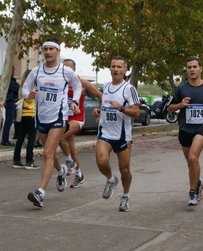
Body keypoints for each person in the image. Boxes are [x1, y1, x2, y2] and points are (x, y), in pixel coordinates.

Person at [22, 38, 82, 208]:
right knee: (49, 153)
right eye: (45, 49)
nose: (47, 52)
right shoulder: (36, 71)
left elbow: (77, 86)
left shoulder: (65, 71)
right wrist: (28, 95)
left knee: (48, 151)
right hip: (41, 117)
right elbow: (24, 88)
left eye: (51, 49)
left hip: (58, 117)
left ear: (58, 51)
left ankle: (40, 193)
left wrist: (74, 101)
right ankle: (61, 171)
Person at [167, 57, 203, 206]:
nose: (192, 69)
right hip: (185, 128)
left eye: (194, 67)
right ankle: (198, 181)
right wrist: (180, 104)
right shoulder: (181, 88)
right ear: (187, 70)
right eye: (189, 67)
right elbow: (169, 108)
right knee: (190, 162)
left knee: (193, 158)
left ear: (201, 69)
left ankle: (193, 192)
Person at [92, 56, 140, 212]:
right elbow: (104, 105)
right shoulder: (106, 86)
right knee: (101, 161)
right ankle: (111, 180)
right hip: (105, 132)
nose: (115, 69)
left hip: (122, 135)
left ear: (125, 70)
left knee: (124, 169)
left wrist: (121, 108)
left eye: (119, 67)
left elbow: (136, 112)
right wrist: (99, 112)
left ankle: (125, 196)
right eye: (113, 66)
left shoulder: (128, 89)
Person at [57, 59, 102, 188]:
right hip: (65, 117)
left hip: (77, 119)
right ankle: (79, 174)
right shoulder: (60, 82)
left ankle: (69, 162)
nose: (66, 70)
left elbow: (100, 95)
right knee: (71, 151)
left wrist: (101, 112)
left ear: (74, 69)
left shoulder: (81, 82)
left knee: (60, 137)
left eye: (69, 68)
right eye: (63, 67)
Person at [12, 69, 40, 170]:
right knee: (31, 139)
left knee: (20, 137)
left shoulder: (21, 88)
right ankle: (29, 161)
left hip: (22, 114)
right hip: (32, 114)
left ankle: (16, 159)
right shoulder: (34, 88)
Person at [1, 65, 20, 146]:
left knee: (12, 121)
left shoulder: (10, 80)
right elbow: (17, 88)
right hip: (10, 101)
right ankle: (5, 140)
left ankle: (10, 137)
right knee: (8, 121)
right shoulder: (9, 80)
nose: (14, 71)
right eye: (13, 70)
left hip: (11, 101)